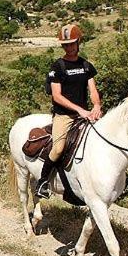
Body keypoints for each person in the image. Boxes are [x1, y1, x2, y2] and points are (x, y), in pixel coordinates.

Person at [35, 24, 102, 199]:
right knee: (58, 149)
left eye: (72, 44)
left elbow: (93, 90)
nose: (70, 48)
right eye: (66, 45)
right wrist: (80, 110)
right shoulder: (58, 67)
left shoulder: (86, 66)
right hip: (64, 116)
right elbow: (57, 96)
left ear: (79, 42)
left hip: (85, 114)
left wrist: (96, 106)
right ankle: (42, 181)